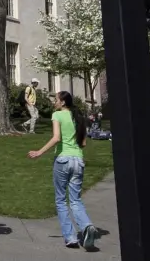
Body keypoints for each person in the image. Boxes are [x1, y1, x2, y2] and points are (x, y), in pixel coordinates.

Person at [27, 91, 98, 250]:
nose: (54, 103)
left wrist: (39, 152)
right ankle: (86, 226)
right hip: (78, 160)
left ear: (63, 102)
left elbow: (56, 137)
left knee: (60, 200)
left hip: (63, 160)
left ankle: (71, 237)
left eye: (56, 100)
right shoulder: (78, 117)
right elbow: (83, 143)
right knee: (75, 199)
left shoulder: (57, 115)